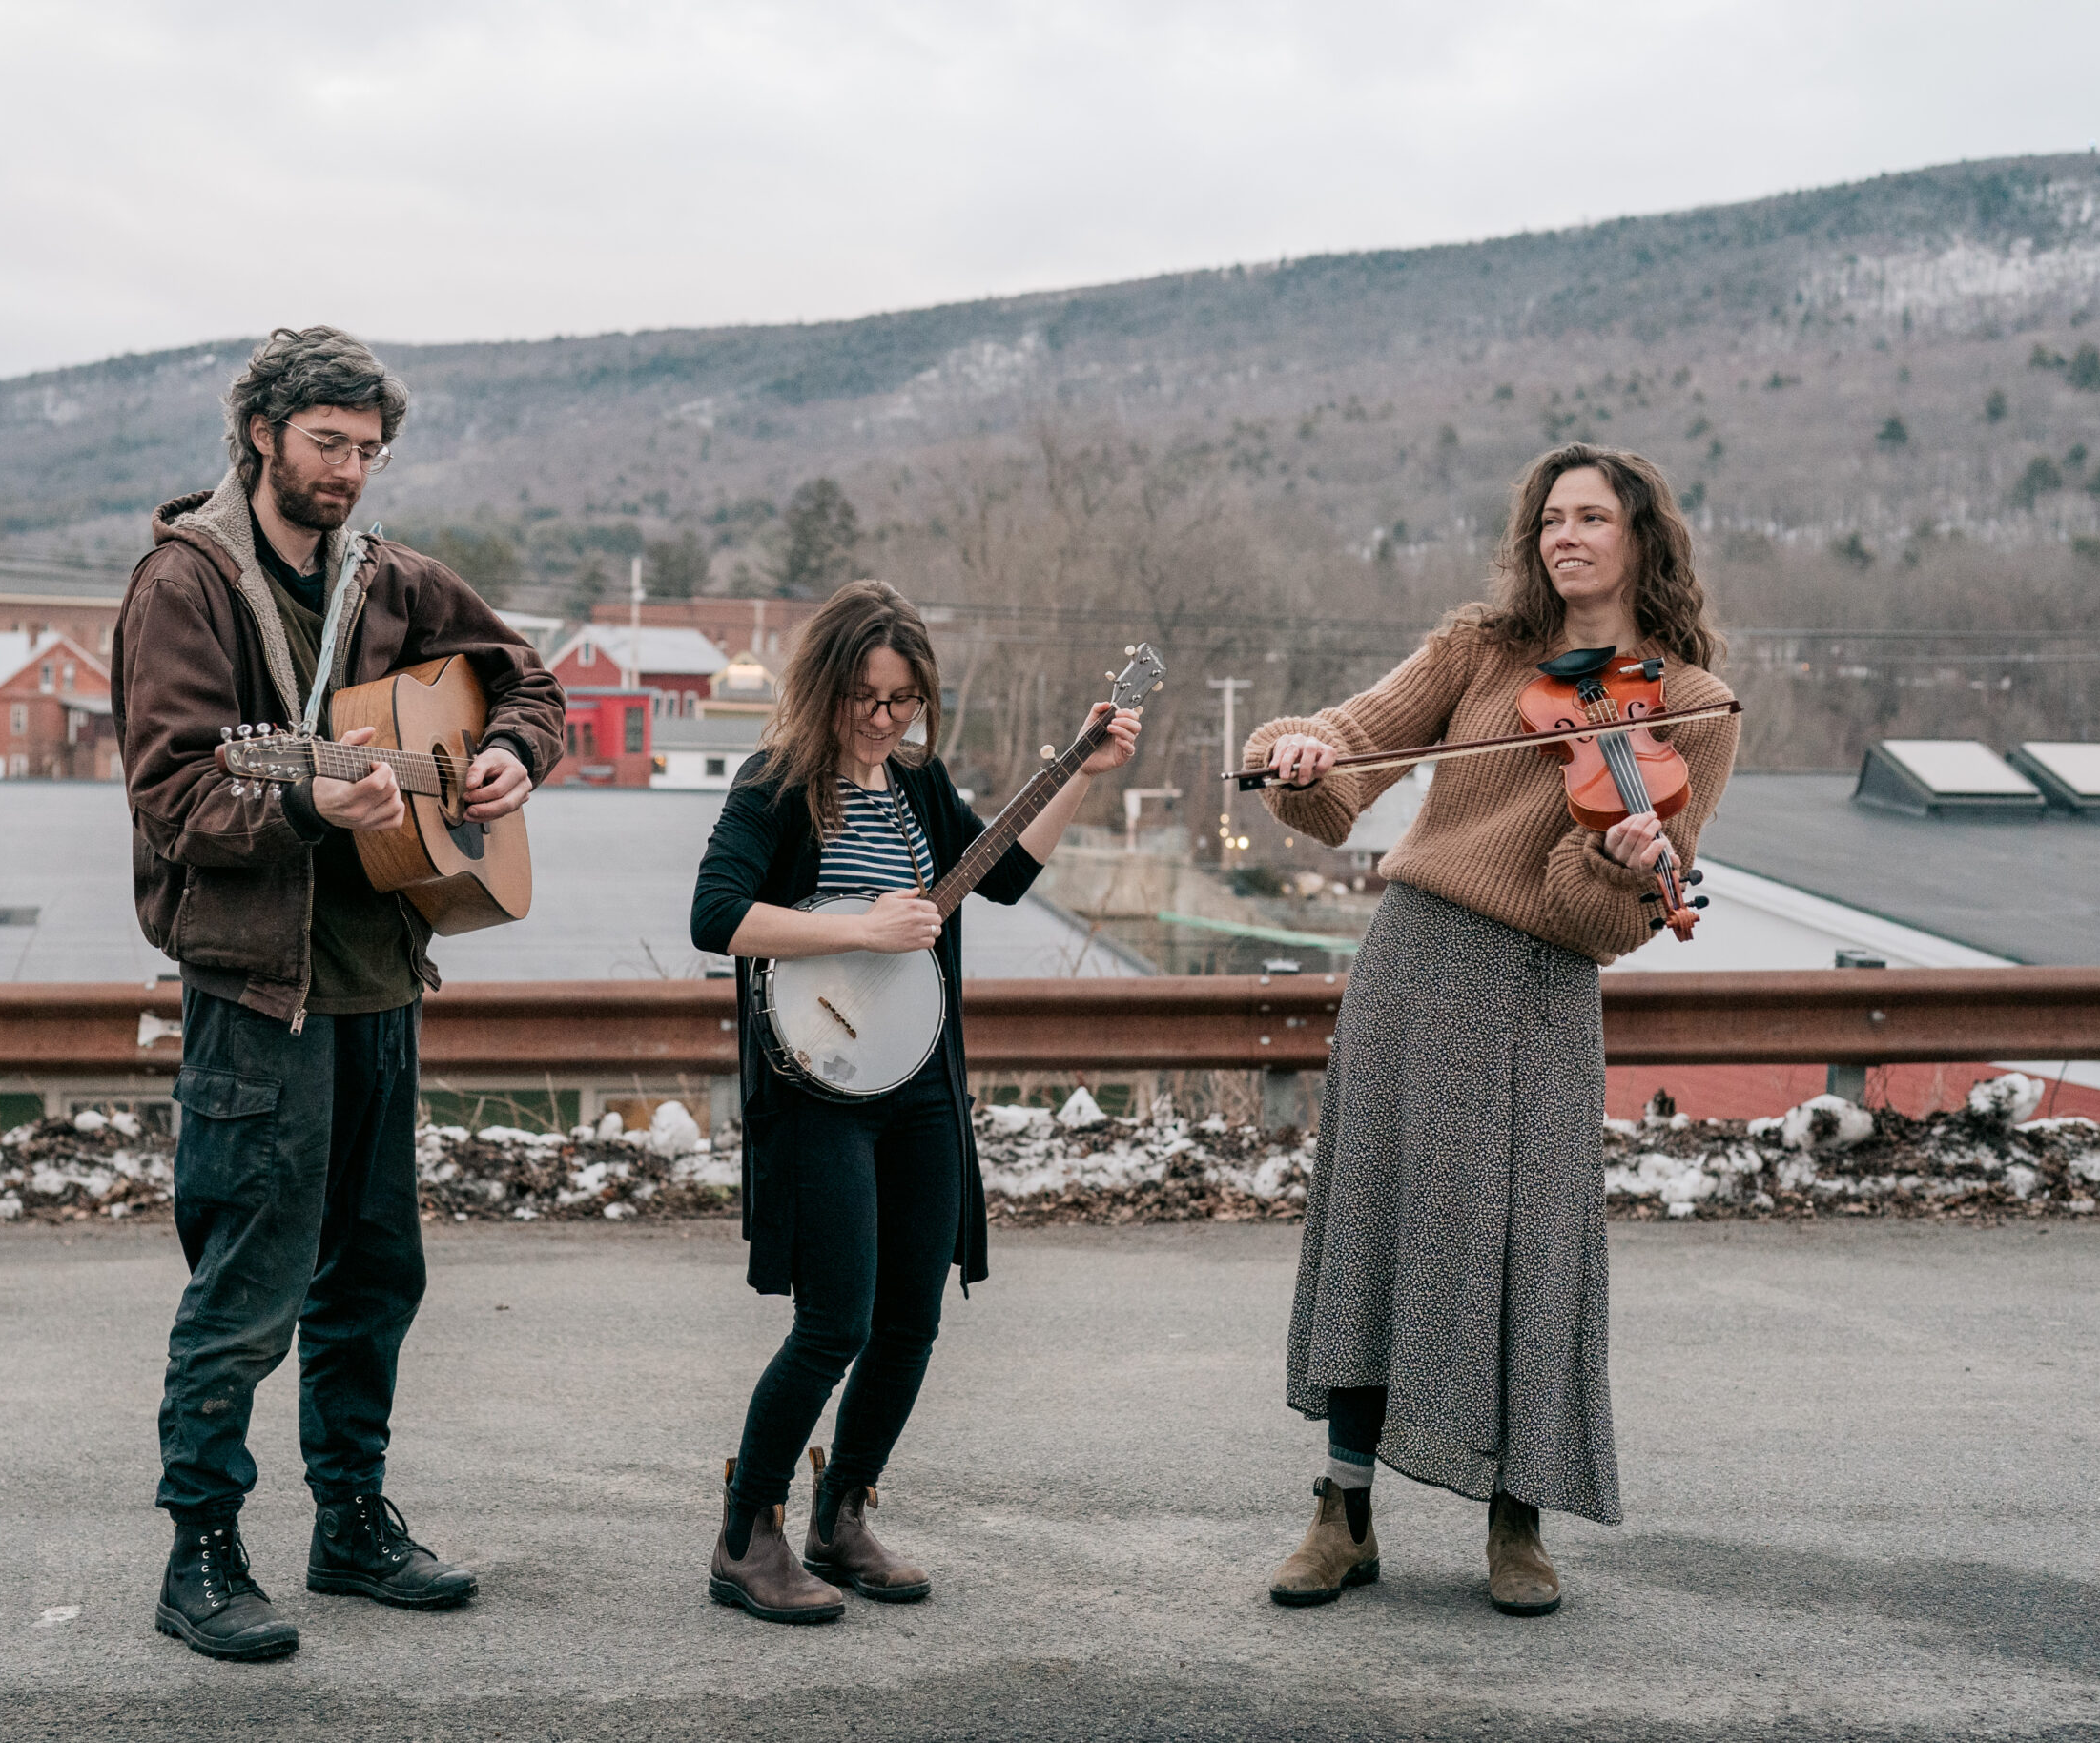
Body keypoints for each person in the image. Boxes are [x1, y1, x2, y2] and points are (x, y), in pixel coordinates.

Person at [113, 326, 565, 1661]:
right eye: (327, 445)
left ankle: (351, 1523)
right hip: (261, 991)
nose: (350, 473)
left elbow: (527, 679)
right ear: (261, 433)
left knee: (376, 1275)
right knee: (249, 1284)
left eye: (368, 451)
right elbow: (180, 792)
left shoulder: (387, 578)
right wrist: (306, 800)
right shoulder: (185, 584)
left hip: (381, 984)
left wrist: (509, 756)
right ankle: (199, 1553)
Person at [1247, 443, 1738, 1617]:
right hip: (1413, 960)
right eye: (1549, 519)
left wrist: (1616, 862)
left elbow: (1595, 922)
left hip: (1535, 990)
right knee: (1375, 1221)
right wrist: (1298, 746)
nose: (1566, 536)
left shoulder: (1691, 707)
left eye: (1592, 518)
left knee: (1523, 1246)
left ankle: (1515, 1518)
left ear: (1641, 538)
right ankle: (1342, 1509)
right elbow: (1345, 761)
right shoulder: (1477, 649)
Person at [689, 581, 1140, 1624]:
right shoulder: (776, 784)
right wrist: (857, 927)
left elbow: (1008, 876)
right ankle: (743, 1533)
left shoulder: (918, 785)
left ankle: (839, 1513)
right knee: (833, 1322)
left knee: (911, 1319)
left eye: (902, 699)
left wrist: (1080, 770)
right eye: (864, 697)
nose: (884, 718)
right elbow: (717, 917)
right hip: (818, 1090)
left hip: (922, 1082)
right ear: (824, 689)